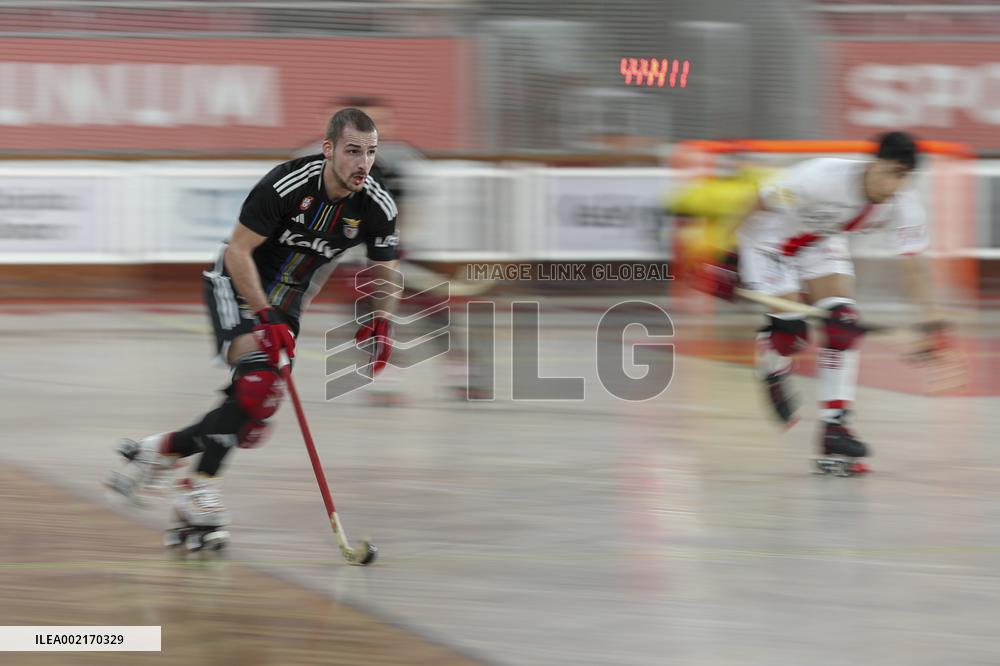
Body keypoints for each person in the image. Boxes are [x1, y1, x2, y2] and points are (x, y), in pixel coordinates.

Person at [107, 108, 399, 549]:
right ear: (329, 149)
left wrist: (382, 322)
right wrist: (263, 314)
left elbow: (385, 269)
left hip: (289, 301)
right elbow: (238, 251)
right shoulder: (287, 184)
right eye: (353, 151)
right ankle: (197, 488)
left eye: (371, 152)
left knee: (258, 403)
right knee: (258, 381)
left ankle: (160, 451)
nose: (363, 163)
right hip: (235, 282)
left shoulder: (376, 204)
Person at [695, 131, 950, 473]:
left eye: (903, 177)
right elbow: (757, 200)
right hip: (768, 243)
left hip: (819, 243)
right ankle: (772, 358)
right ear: (873, 163)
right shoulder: (820, 176)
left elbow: (915, 267)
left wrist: (933, 323)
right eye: (890, 173)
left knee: (842, 326)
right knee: (791, 335)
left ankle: (835, 427)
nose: (893, 186)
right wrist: (724, 259)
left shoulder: (903, 203)